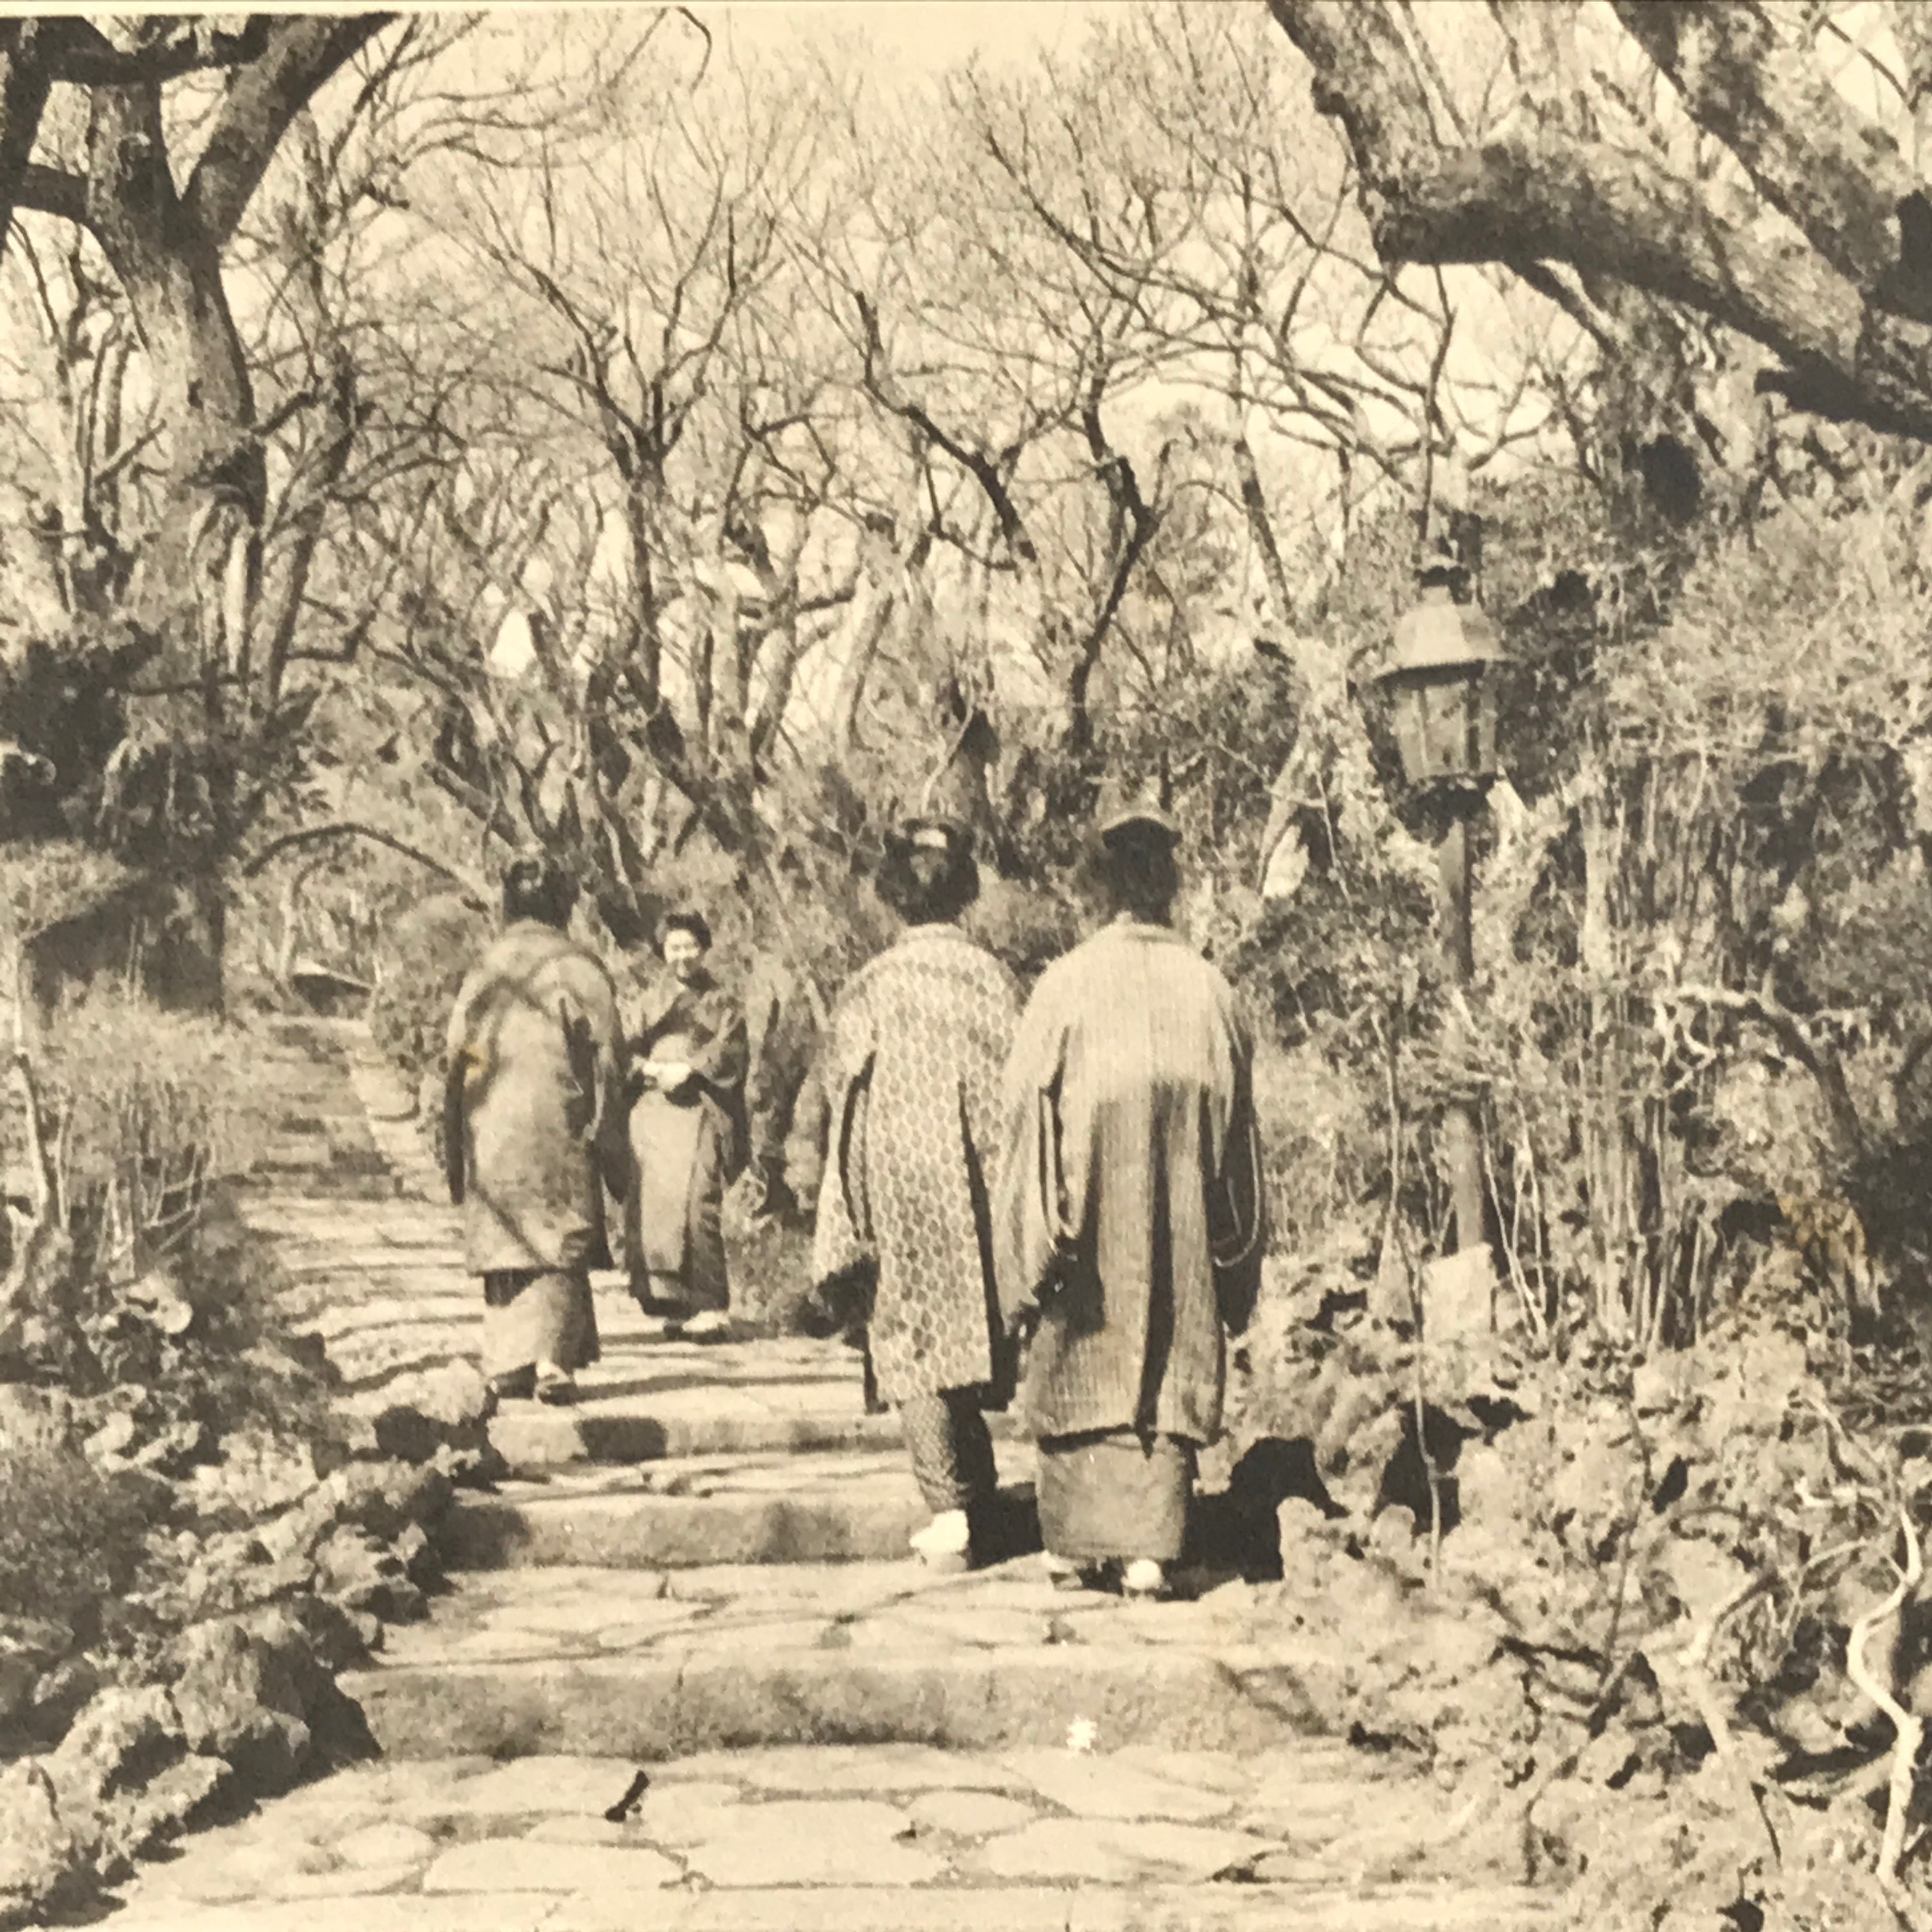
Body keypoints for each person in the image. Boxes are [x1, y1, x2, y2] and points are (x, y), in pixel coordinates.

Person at [992, 801, 1266, 1600]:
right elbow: (1240, 1142)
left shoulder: (1064, 984)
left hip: (1085, 1236)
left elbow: (1024, 1119)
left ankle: (1078, 1547)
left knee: (1084, 1355)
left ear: (1096, 886)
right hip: (1183, 1224)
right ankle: (1151, 1550)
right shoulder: (1212, 990)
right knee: (1171, 1346)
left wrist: (1034, 1239)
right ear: (1169, 887)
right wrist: (1230, 1248)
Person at [812, 817, 1020, 1568]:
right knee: (969, 1322)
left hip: (896, 1169)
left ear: (895, 895)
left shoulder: (871, 984)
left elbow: (840, 1088)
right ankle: (974, 1495)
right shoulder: (994, 979)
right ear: (964, 891)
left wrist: (841, 1194)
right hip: (982, 1169)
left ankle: (953, 1511)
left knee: (911, 1329)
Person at [444, 855, 627, 1405]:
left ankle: (509, 1363)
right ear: (562, 905)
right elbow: (609, 1055)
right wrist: (608, 1125)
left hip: (489, 1112)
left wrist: (457, 1126)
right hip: (554, 1111)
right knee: (557, 1231)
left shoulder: (484, 967)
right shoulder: (579, 967)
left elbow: (459, 1053)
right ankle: (550, 1360)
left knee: (506, 1233)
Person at [622, 910, 749, 1340]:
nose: (683, 956)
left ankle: (711, 1305)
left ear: (704, 948)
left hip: (704, 1105)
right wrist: (650, 1069)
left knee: (698, 1202)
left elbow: (731, 1051)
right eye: (675, 947)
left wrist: (692, 1069)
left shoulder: (723, 1000)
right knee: (657, 1205)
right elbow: (622, 1048)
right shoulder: (647, 999)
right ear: (663, 950)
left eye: (691, 947)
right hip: (655, 1108)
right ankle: (673, 1302)